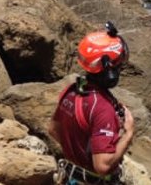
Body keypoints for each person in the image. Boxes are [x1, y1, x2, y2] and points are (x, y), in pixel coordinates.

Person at [48, 23, 134, 184]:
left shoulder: (71, 91)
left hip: (71, 177)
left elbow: (53, 129)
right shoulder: (102, 108)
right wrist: (128, 134)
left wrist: (78, 152)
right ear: (109, 71)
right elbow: (102, 166)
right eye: (118, 65)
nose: (120, 68)